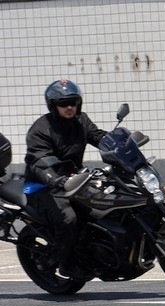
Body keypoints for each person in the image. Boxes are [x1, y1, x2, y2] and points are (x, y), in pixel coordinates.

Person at [23, 79, 107, 279]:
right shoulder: (41, 129)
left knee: (104, 205)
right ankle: (65, 264)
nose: (69, 107)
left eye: (73, 102)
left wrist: (122, 141)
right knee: (68, 219)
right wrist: (55, 180)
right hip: (41, 185)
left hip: (74, 180)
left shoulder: (81, 120)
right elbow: (39, 161)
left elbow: (98, 136)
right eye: (63, 104)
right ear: (53, 106)